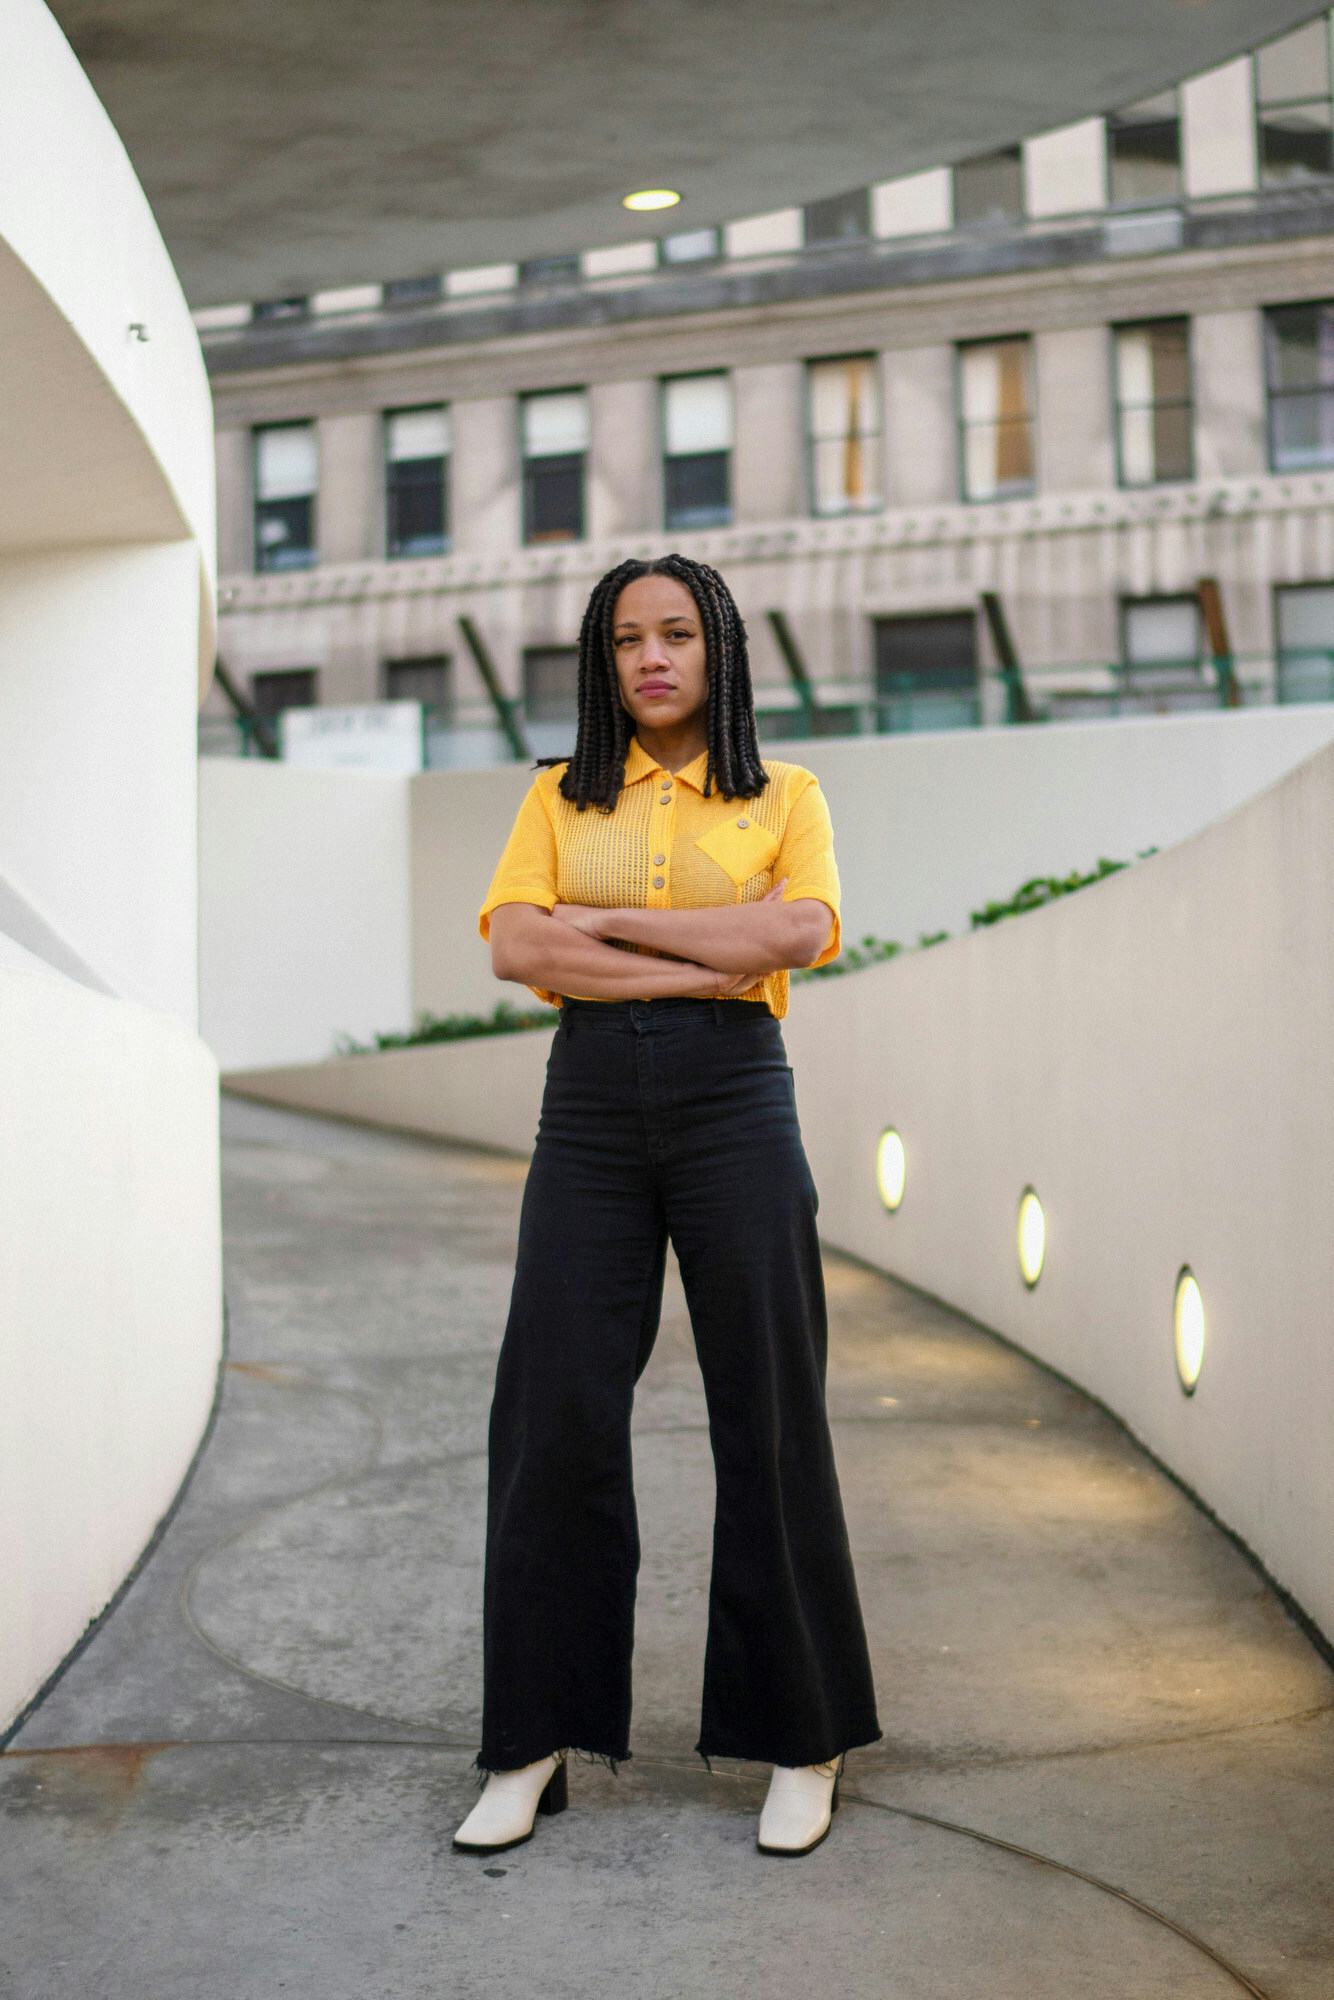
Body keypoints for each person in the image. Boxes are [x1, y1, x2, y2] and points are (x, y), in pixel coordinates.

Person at [453, 552, 881, 1858]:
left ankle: (798, 1736)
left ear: (717, 652)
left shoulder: (786, 792)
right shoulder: (553, 795)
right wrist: (700, 952)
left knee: (765, 1405)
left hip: (735, 1107)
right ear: (604, 658)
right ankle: (530, 1742)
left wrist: (609, 940)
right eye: (628, 638)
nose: (651, 657)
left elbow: (798, 933)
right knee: (555, 1411)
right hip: (584, 1117)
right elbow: (517, 946)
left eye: (676, 635)